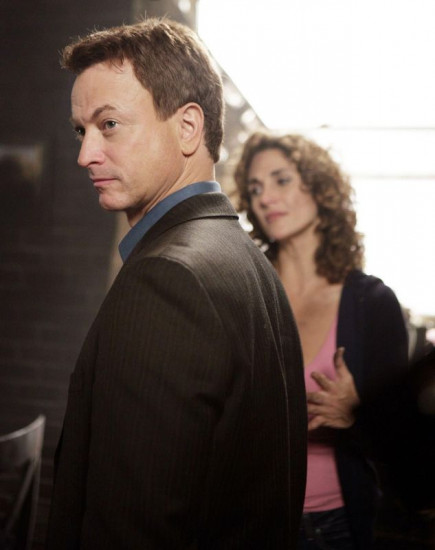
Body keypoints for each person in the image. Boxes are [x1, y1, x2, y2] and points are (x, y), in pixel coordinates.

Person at [45, 19, 308, 550]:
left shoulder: (168, 279)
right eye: (81, 130)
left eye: (109, 124)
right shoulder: (244, 257)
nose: (85, 154)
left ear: (188, 127)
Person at [234, 132, 409, 550]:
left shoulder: (372, 304)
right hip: (251, 522)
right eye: (255, 189)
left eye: (281, 180)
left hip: (338, 528)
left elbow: (404, 446)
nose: (265, 198)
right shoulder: (242, 292)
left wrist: (355, 417)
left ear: (319, 188)